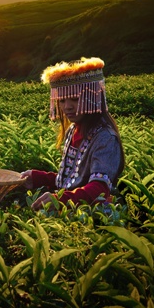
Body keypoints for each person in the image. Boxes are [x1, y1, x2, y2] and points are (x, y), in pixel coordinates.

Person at [21, 57, 125, 211]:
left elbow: (99, 189)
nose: (67, 107)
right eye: (62, 100)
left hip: (93, 218)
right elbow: (72, 181)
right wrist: (36, 177)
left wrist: (59, 200)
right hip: (69, 211)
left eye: (75, 99)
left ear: (92, 97)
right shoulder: (73, 129)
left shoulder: (105, 138)